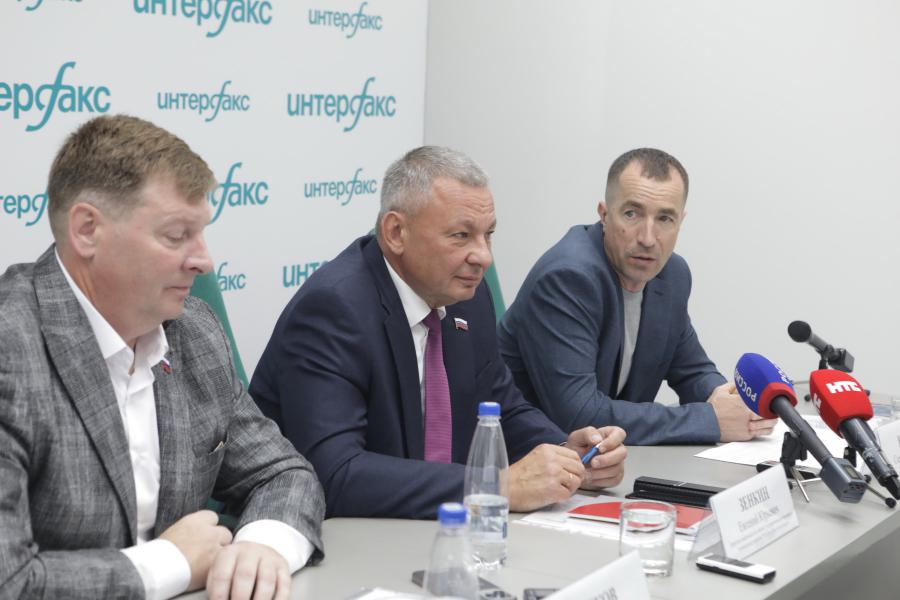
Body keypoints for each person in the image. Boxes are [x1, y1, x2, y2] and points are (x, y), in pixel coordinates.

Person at [0, 115, 325, 600]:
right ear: (88, 230)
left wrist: (263, 545)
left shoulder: (194, 330)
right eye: (176, 235)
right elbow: (8, 580)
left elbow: (283, 473)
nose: (203, 261)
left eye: (201, 233)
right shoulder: (11, 349)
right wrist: (171, 563)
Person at [250, 146, 627, 519]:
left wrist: (566, 452)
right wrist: (492, 486)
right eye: (461, 235)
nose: (483, 256)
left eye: (488, 234)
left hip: (430, 526)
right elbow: (334, 475)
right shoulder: (334, 310)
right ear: (396, 232)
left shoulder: (466, 296)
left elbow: (501, 405)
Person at [497, 148, 778, 445]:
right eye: (632, 214)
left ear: (680, 222)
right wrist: (711, 420)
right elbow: (578, 414)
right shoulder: (568, 278)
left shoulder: (671, 275)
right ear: (604, 215)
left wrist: (726, 399)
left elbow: (691, 370)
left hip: (607, 461)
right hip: (519, 457)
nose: (647, 238)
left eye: (665, 218)